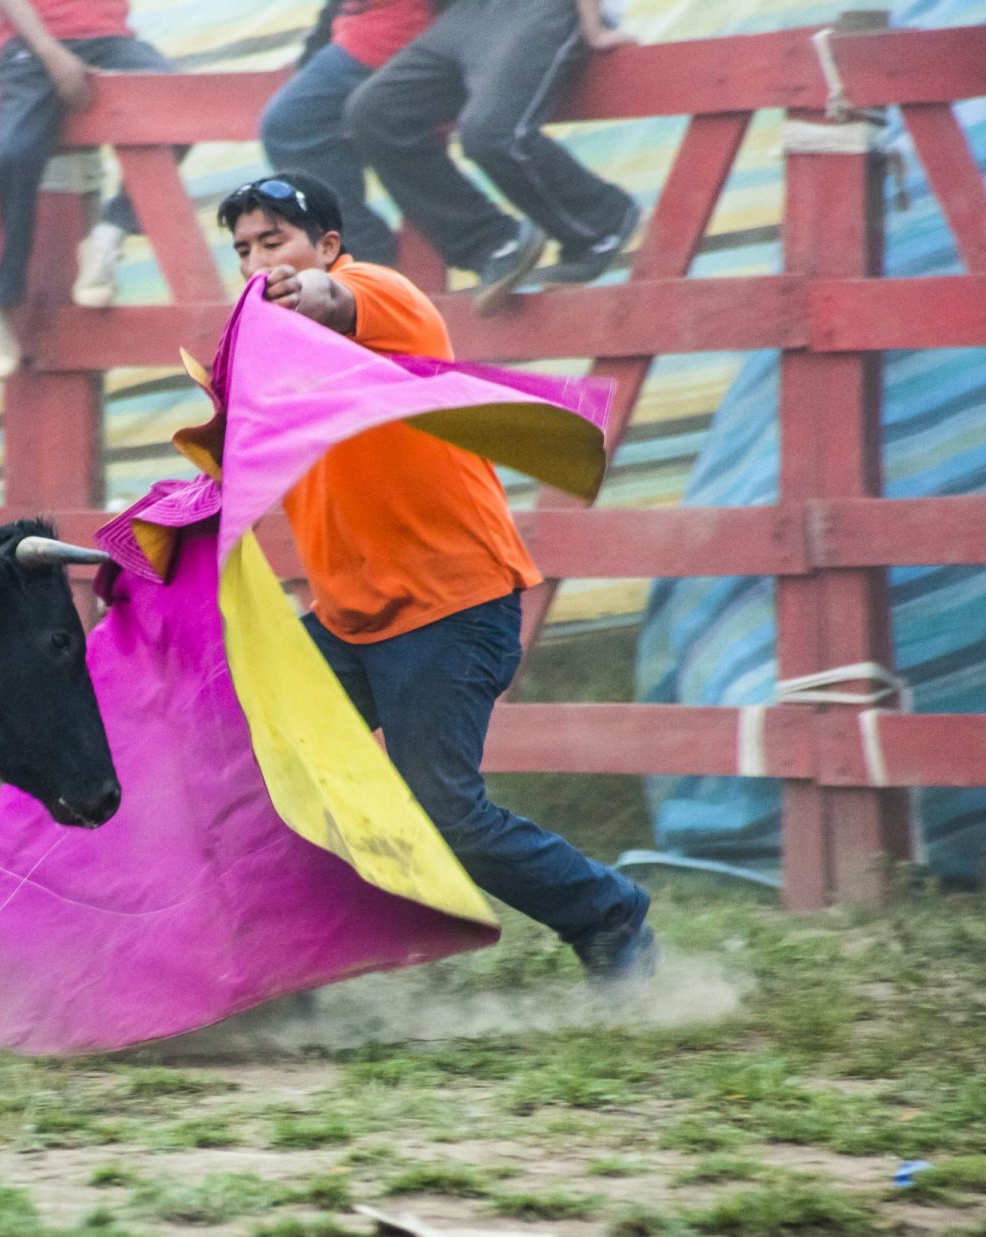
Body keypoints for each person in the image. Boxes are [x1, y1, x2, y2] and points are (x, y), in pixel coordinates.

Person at [216, 170, 656, 981]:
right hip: (350, 620)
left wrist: (294, 286)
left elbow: (321, 298)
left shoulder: (380, 294)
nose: (254, 263)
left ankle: (610, 916)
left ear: (329, 246)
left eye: (271, 242)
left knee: (445, 814)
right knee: (250, 772)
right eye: (241, 250)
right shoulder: (268, 367)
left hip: (453, 609)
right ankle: (294, 968)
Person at [344, 0, 640, 315]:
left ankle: (600, 221)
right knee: (374, 112)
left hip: (544, 8)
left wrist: (593, 28)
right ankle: (494, 246)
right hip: (465, 14)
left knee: (491, 133)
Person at [0, 0, 178, 379]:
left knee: (178, 105)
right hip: (29, 39)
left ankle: (110, 231)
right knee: (13, 155)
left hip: (108, 36)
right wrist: (38, 52)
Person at [258, 0, 435, 268]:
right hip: (380, 29)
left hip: (394, 30)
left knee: (291, 126)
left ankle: (361, 256)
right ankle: (358, 257)